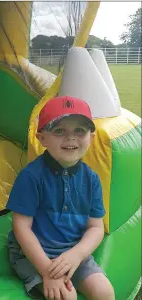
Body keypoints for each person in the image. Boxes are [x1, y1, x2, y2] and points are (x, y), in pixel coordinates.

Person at [6, 96, 115, 300]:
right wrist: (47, 270)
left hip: (71, 250)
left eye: (79, 131)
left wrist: (77, 254)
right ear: (42, 138)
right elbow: (21, 228)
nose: (70, 138)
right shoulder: (31, 176)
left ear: (91, 137)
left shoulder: (91, 179)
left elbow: (96, 227)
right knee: (67, 296)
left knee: (104, 292)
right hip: (35, 253)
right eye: (59, 131)